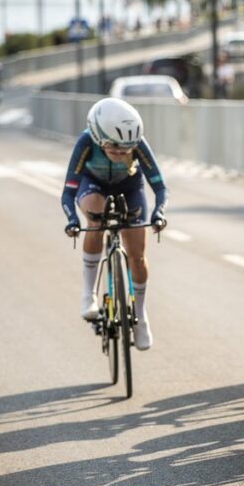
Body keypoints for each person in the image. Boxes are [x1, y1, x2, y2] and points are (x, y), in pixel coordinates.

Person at [61, 97, 168, 350]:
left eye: (126, 149)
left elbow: (160, 187)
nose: (120, 153)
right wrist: (73, 220)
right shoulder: (86, 141)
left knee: (137, 256)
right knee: (96, 218)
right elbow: (68, 192)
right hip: (93, 185)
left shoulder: (138, 143)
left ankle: (141, 316)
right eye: (114, 148)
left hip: (130, 187)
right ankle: (89, 295)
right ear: (99, 137)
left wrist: (158, 213)